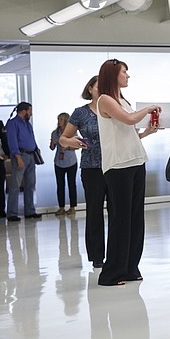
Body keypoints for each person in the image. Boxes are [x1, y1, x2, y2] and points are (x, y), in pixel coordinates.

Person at [96, 59, 160, 286]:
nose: (128, 76)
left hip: (135, 160)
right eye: (125, 72)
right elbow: (129, 119)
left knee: (135, 218)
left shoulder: (123, 100)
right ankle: (111, 273)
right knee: (121, 219)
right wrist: (148, 108)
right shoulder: (104, 100)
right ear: (114, 75)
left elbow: (130, 130)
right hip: (118, 166)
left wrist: (148, 132)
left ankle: (130, 267)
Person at [60, 76, 108, 268]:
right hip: (91, 168)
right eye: (99, 86)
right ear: (90, 89)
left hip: (114, 166)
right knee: (94, 211)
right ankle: (97, 257)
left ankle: (117, 255)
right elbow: (64, 138)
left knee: (118, 213)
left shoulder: (113, 109)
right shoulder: (81, 113)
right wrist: (71, 141)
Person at [6, 102, 41, 222]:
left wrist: (36, 150)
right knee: (15, 186)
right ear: (24, 111)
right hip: (20, 156)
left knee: (30, 184)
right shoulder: (13, 123)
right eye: (30, 110)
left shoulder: (27, 124)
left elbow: (32, 138)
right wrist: (18, 157)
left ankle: (30, 211)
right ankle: (12, 213)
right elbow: (12, 142)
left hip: (31, 156)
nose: (31, 113)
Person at [50, 112, 78, 216]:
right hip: (58, 162)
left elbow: (78, 146)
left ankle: (72, 207)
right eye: (58, 119)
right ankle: (61, 207)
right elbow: (52, 148)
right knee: (60, 185)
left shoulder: (72, 133)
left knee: (71, 185)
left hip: (71, 162)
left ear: (66, 120)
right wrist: (52, 143)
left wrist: (68, 147)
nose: (59, 122)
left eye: (61, 120)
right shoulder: (55, 133)